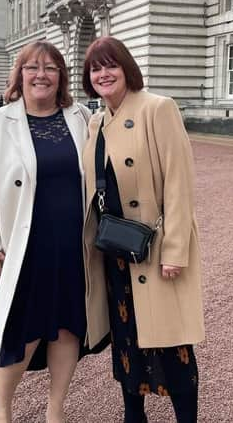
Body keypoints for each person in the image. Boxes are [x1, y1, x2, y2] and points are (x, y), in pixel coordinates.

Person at [0, 40, 92, 423]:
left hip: (72, 245)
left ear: (61, 76)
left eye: (51, 68)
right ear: (19, 75)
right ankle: (2, 411)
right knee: (20, 330)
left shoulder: (81, 117)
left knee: (68, 328)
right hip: (24, 247)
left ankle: (56, 410)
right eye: (33, 67)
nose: (42, 75)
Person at [81, 36, 205, 423]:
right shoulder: (97, 121)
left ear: (127, 68)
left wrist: (175, 250)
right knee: (126, 339)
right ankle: (133, 415)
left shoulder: (158, 108)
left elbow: (179, 184)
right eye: (95, 68)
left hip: (152, 248)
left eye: (110, 65)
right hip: (114, 249)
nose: (103, 74)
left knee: (171, 343)